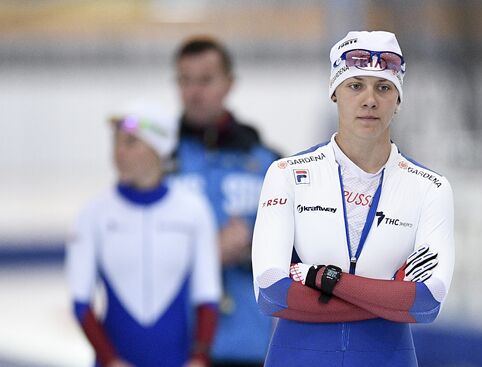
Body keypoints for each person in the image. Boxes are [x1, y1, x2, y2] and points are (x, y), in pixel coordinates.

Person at [251, 30, 455, 367]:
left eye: (384, 87)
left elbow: (426, 302)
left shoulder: (430, 187)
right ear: (334, 93)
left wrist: (323, 279)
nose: (370, 100)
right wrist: (389, 296)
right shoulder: (287, 174)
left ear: (398, 100)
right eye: (355, 85)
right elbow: (271, 293)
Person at [66, 104, 222, 367]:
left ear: (159, 149)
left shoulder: (193, 210)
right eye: (115, 142)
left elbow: (208, 296)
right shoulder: (93, 214)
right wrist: (111, 360)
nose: (119, 152)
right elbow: (81, 301)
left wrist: (199, 358)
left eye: (130, 142)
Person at [173, 37, 279, 366]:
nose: (194, 92)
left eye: (205, 80)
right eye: (185, 80)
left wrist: (255, 247)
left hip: (252, 344)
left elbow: (303, 249)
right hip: (179, 345)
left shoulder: (269, 163)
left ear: (229, 84)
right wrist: (205, 253)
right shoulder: (159, 163)